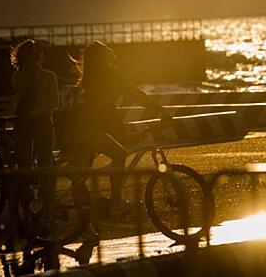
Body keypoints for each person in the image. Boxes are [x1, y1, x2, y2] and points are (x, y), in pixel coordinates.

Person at [71, 40, 171, 213]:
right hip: (91, 128)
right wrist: (160, 110)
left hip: (86, 125)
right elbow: (134, 94)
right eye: (107, 51)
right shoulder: (110, 74)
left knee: (85, 170)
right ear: (103, 57)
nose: (111, 52)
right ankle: (116, 202)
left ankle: (92, 205)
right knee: (119, 154)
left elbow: (104, 107)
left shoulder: (92, 76)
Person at [10, 39, 59, 169]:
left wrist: (32, 113)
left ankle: (46, 188)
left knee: (45, 161)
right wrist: (28, 67)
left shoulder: (49, 76)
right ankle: (26, 188)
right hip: (22, 122)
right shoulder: (17, 75)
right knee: (24, 162)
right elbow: (19, 85)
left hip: (42, 121)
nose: (37, 55)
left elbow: (54, 101)